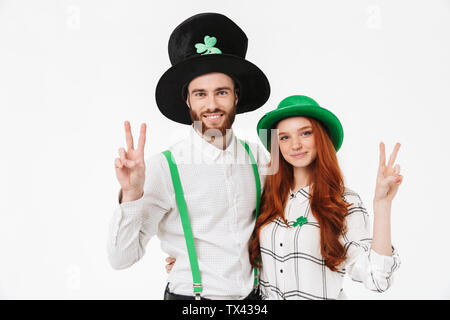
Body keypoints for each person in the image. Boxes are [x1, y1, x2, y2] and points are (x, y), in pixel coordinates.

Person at [107, 13, 271, 300]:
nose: (211, 105)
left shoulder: (259, 157)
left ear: (236, 96)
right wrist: (131, 194)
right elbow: (120, 259)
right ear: (187, 101)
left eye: (221, 92)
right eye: (200, 94)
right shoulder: (164, 168)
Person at [249, 94, 402, 300]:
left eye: (305, 133)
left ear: (321, 138)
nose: (295, 145)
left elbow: (376, 278)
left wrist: (382, 204)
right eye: (284, 137)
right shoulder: (266, 196)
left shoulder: (343, 200)